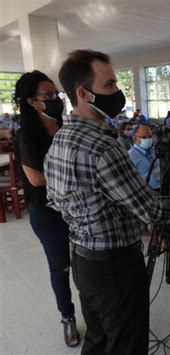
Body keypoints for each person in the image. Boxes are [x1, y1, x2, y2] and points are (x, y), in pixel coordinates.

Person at [45, 49, 170, 355]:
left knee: (98, 340)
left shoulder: (59, 140)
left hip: (82, 260)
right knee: (126, 344)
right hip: (115, 266)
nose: (117, 92)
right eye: (109, 85)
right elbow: (154, 210)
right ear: (82, 93)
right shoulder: (103, 148)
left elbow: (53, 200)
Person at [13, 70, 80, 347]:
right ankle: (68, 317)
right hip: (47, 212)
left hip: (76, 205)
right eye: (48, 95)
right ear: (32, 101)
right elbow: (37, 179)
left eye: (56, 94)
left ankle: (96, 310)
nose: (55, 100)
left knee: (88, 262)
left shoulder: (64, 127)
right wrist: (76, 172)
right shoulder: (27, 136)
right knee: (61, 266)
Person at [128, 125, 160, 191]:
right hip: (149, 192)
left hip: (161, 185)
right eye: (144, 137)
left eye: (150, 136)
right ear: (135, 138)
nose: (148, 139)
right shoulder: (131, 156)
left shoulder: (152, 150)